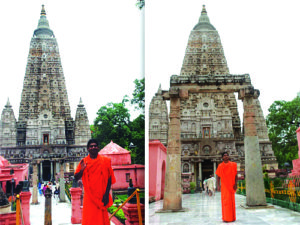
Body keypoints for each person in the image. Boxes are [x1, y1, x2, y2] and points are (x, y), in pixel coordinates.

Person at [74, 139, 116, 225]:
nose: (93, 147)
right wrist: (82, 170)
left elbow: (109, 178)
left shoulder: (105, 161)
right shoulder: (84, 161)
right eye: (91, 146)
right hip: (89, 196)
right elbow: (76, 177)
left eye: (95, 146)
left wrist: (106, 195)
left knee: (102, 218)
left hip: (102, 195)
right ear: (88, 149)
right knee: (89, 218)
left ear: (98, 147)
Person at [216, 152, 237, 222]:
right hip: (224, 186)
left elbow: (236, 175)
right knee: (225, 202)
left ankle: (232, 217)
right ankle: (226, 217)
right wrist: (218, 185)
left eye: (227, 155)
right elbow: (218, 176)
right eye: (224, 156)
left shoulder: (233, 164)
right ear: (222, 157)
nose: (226, 157)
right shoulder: (220, 166)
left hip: (231, 185)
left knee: (232, 202)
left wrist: (236, 184)